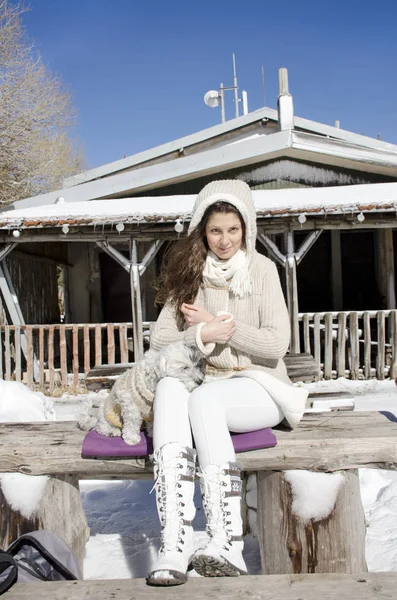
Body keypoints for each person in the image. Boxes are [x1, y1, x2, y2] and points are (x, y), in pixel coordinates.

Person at [146, 180, 308, 586]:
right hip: (206, 380)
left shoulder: (262, 270)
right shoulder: (189, 273)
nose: (224, 240)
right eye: (215, 230)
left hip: (259, 384)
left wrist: (223, 329)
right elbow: (160, 338)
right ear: (202, 229)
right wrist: (200, 336)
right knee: (169, 386)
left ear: (247, 228)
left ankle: (226, 541)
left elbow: (275, 344)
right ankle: (175, 540)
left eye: (233, 230)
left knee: (204, 401)